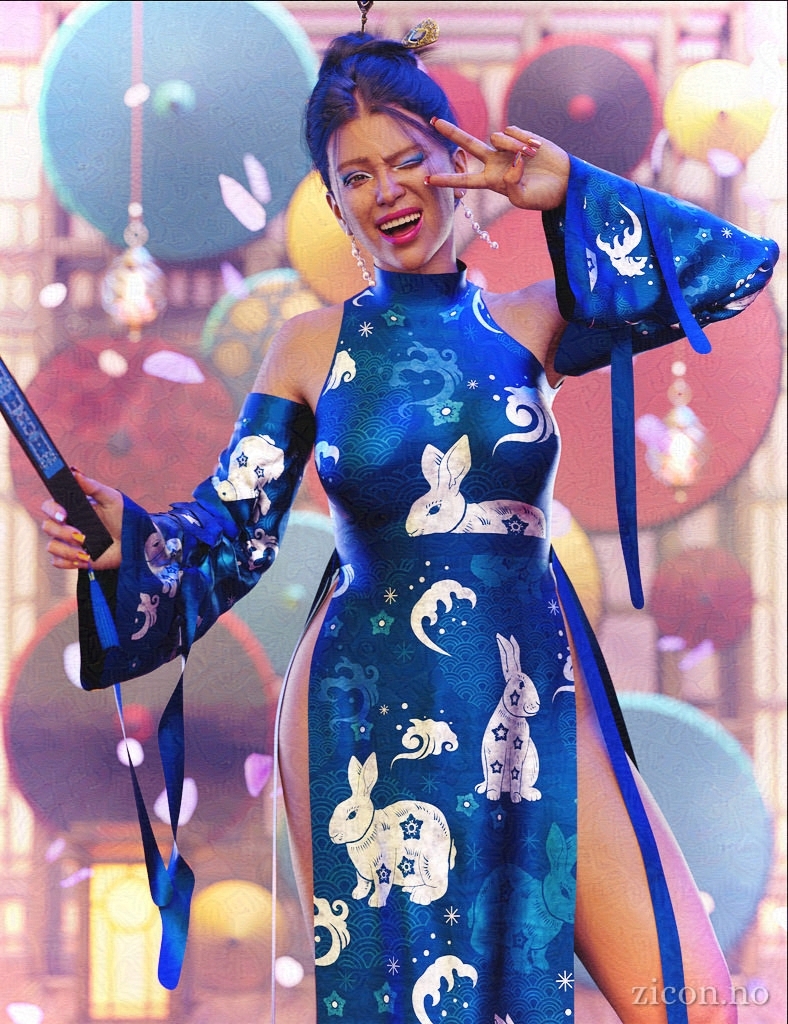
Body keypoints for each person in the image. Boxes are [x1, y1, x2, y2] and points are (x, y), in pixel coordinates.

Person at [40, 25, 778, 1024]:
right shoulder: (306, 348)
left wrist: (564, 189)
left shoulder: (532, 321)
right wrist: (136, 533)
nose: (386, 191)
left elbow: (726, 272)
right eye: (355, 176)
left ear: (455, 164)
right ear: (333, 202)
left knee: (688, 997)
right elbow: (231, 529)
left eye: (406, 161)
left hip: (531, 675)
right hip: (369, 698)